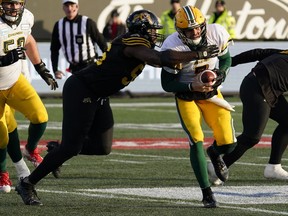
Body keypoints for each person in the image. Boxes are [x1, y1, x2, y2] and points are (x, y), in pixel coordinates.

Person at [15, 9, 220, 206]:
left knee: (102, 147)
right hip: (82, 89)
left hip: (98, 93)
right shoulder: (132, 43)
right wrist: (197, 53)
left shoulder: (137, 43)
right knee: (72, 147)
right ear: (140, 30)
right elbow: (158, 59)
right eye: (151, 30)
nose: (155, 34)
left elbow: (161, 58)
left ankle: (55, 150)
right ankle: (27, 183)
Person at [160, 5, 236, 208]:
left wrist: (221, 74)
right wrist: (190, 85)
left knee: (229, 143)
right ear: (180, 32)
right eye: (189, 30)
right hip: (186, 96)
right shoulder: (172, 45)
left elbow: (225, 59)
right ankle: (206, 192)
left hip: (211, 93)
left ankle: (215, 153)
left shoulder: (216, 32)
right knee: (196, 139)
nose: (195, 32)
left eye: (197, 27)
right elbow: (166, 83)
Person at [0, 0, 58, 192]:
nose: (14, 7)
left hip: (15, 80)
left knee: (40, 117)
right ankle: (2, 173)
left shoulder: (27, 17)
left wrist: (41, 68)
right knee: (2, 135)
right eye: (9, 3)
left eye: (18, 3)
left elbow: (29, 40)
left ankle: (31, 149)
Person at [208, 48, 288, 182]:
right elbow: (258, 54)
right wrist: (228, 63)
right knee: (252, 136)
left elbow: (257, 53)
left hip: (265, 88)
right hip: (257, 88)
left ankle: (274, 167)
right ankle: (218, 164)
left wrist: (231, 61)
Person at [51, 0, 108, 79]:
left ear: (77, 7)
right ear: (63, 8)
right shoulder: (59, 25)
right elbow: (54, 49)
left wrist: (109, 62)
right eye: (67, 6)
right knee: (77, 90)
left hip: (90, 66)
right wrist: (55, 69)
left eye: (72, 5)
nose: (69, 9)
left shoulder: (87, 22)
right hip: (74, 68)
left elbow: (102, 43)